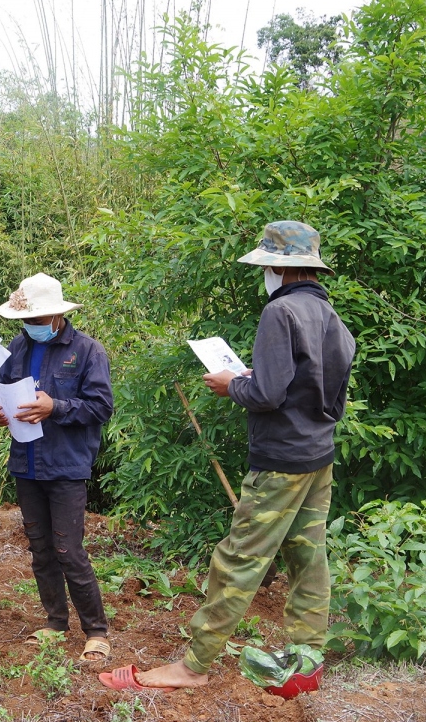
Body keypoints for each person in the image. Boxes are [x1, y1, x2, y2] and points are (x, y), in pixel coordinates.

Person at [114, 220, 356, 691]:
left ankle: (192, 667)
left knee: (238, 558)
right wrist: (258, 381)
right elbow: (326, 390)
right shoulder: (331, 318)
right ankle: (307, 659)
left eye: (266, 265)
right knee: (308, 554)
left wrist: (234, 385)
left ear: (277, 268)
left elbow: (266, 395)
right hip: (318, 454)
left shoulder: (280, 313)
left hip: (281, 460)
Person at [0, 273, 114, 663]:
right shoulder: (17, 347)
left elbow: (101, 407)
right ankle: (55, 621)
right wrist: (2, 412)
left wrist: (55, 407)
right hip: (26, 463)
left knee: (68, 549)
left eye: (39, 319)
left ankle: (96, 631)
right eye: (26, 320)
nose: (32, 326)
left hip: (66, 466)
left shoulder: (88, 351)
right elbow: (9, 394)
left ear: (58, 316)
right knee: (41, 548)